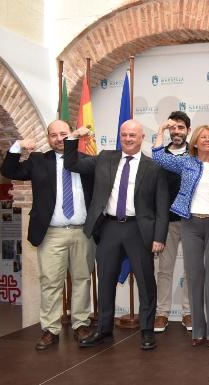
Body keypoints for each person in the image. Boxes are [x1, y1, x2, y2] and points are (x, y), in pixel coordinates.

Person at [65, 119, 169, 350]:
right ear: (119, 136)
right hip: (109, 228)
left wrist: (159, 237)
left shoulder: (154, 168)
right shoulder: (105, 158)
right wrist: (73, 137)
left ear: (142, 138)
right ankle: (103, 330)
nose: (128, 139)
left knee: (145, 283)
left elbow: (162, 208)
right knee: (105, 281)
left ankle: (146, 330)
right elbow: (71, 163)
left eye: (133, 135)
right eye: (124, 135)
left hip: (138, 230)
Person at [0, 120, 95, 350]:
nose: (59, 138)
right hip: (51, 234)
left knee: (82, 280)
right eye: (54, 135)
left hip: (83, 232)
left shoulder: (87, 160)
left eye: (64, 134)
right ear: (48, 138)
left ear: (71, 135)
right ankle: (50, 329)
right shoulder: (38, 160)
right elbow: (9, 171)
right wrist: (18, 145)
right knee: (51, 283)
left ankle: (80, 323)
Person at [152, 125, 209, 347]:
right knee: (194, 276)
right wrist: (161, 130)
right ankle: (197, 330)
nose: (208, 140)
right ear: (196, 142)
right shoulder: (186, 162)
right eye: (203, 137)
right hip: (190, 224)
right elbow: (158, 156)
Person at [154, 111, 192, 333]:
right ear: (168, 130)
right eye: (173, 128)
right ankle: (162, 313)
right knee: (165, 269)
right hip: (166, 221)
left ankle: (189, 312)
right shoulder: (159, 155)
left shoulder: (195, 155)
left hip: (190, 221)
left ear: (188, 130)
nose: (177, 131)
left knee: (191, 269)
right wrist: (160, 129)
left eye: (181, 127)